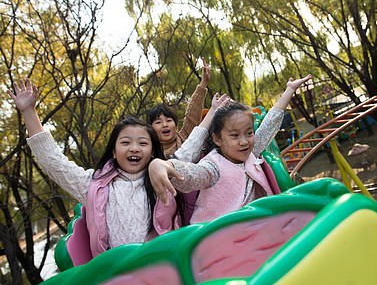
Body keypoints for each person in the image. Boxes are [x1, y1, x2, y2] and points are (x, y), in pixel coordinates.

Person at [7, 79, 186, 259]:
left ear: (153, 151)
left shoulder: (164, 176)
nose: (134, 148)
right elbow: (54, 163)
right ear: (114, 152)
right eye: (125, 142)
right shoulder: (95, 185)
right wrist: (29, 111)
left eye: (142, 143)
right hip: (116, 273)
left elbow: (192, 153)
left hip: (162, 266)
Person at [149, 75, 313, 224]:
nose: (244, 142)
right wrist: (166, 166)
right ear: (217, 139)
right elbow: (193, 174)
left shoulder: (251, 152)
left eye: (249, 133)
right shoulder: (213, 167)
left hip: (254, 225)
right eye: (234, 135)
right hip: (218, 235)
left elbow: (270, 124)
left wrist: (289, 90)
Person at [148, 57, 211, 158]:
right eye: (158, 122)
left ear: (176, 127)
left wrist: (203, 83)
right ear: (151, 130)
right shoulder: (149, 151)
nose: (165, 125)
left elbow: (192, 116)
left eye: (168, 120)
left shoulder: (184, 138)